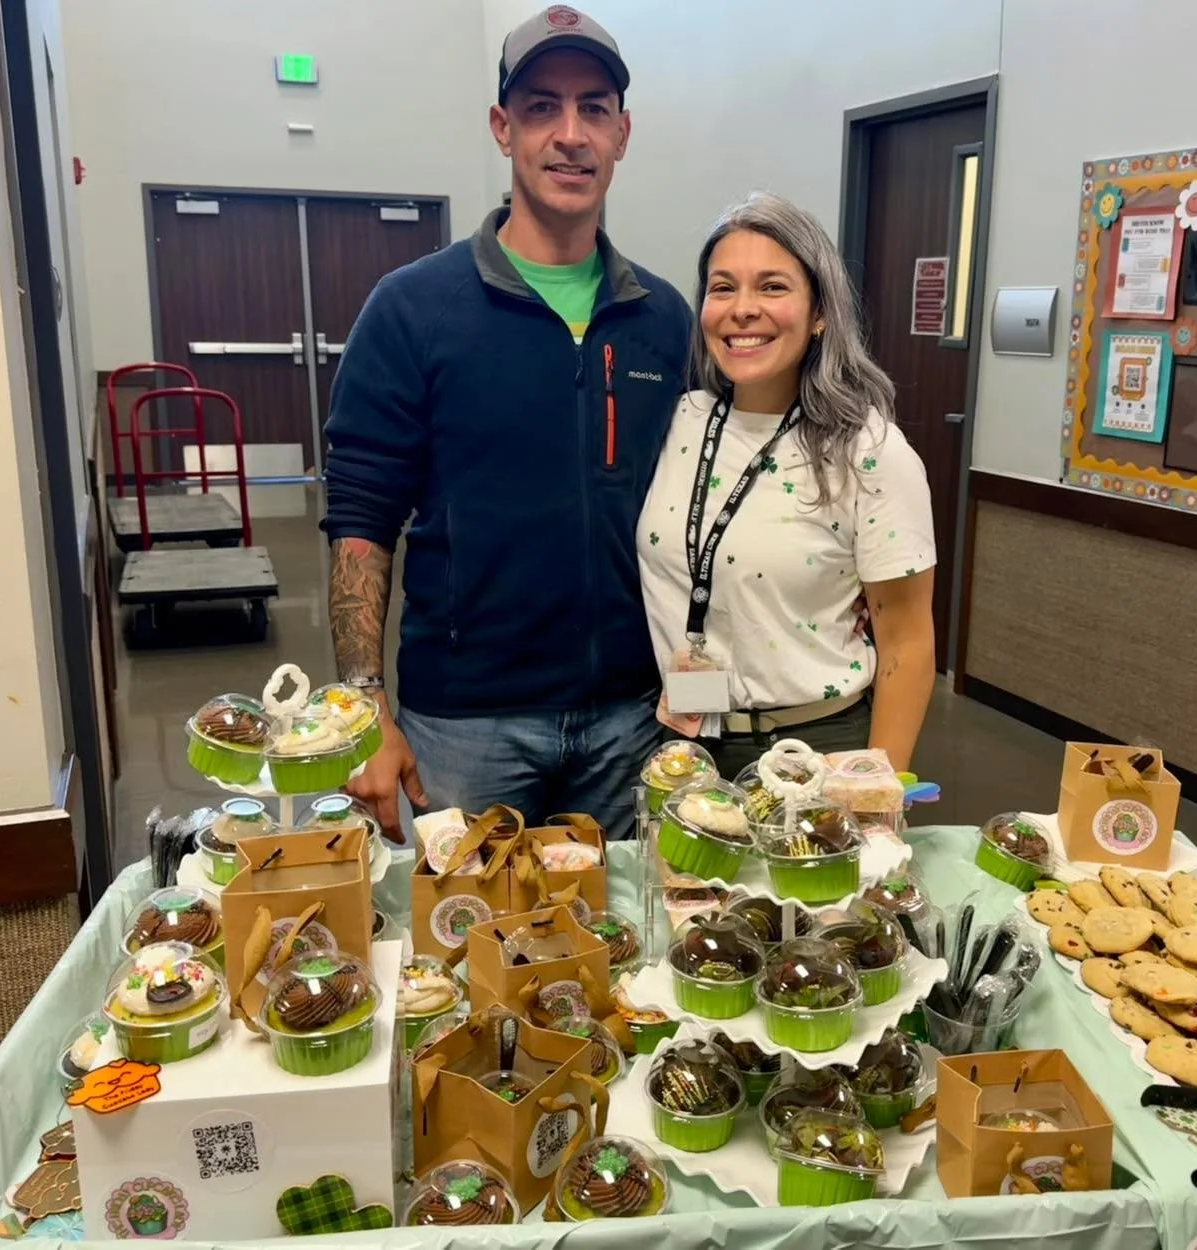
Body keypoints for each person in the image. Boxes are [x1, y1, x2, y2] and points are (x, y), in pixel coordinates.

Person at [322, 6, 691, 842]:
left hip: (632, 719)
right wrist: (365, 710)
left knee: (618, 948)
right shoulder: (414, 309)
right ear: (502, 128)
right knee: (458, 953)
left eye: (593, 108)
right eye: (541, 108)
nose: (570, 134)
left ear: (622, 133)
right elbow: (360, 520)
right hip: (465, 725)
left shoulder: (663, 319)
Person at [637, 192, 937, 780]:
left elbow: (907, 646)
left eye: (772, 287)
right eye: (723, 288)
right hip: (683, 743)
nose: (743, 309)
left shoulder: (866, 452)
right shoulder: (680, 422)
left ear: (820, 311)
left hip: (813, 752)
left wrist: (876, 790)